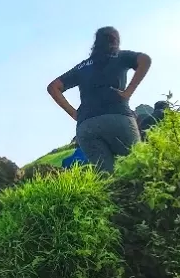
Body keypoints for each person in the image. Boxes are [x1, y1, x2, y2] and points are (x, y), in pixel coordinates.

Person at [47, 27, 152, 173]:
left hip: (86, 126)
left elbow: (53, 87)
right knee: (137, 169)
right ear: (115, 40)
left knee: (107, 177)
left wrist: (74, 113)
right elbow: (145, 60)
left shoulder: (82, 66)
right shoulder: (120, 56)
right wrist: (128, 92)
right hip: (117, 117)